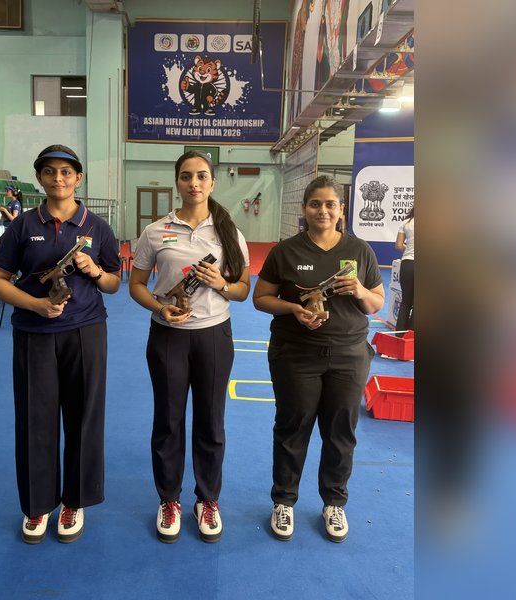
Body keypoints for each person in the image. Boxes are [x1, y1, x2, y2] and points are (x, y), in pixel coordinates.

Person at [0, 145, 121, 544]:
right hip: (34, 334)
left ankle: (73, 502)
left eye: (66, 172)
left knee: (83, 418)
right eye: (49, 172)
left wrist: (95, 270)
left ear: (78, 178)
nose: (58, 179)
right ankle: (37, 506)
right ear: (41, 178)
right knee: (35, 420)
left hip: (86, 333)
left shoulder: (97, 227)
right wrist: (35, 304)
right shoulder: (23, 225)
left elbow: (114, 283)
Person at [252, 175, 384, 543]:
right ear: (304, 209)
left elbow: (377, 302)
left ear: (341, 209)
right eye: (315, 204)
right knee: (293, 427)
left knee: (341, 432)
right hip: (296, 355)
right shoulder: (286, 251)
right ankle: (284, 501)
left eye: (330, 204)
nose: (322, 211)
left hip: (348, 355)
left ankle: (334, 502)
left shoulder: (360, 251)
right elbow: (261, 298)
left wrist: (359, 289)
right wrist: (293, 308)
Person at [129, 151, 250, 544]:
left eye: (201, 176)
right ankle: (169, 499)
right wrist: (161, 307)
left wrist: (220, 284)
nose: (194, 183)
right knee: (168, 420)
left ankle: (207, 499)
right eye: (186, 176)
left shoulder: (230, 233)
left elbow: (243, 290)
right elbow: (136, 285)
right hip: (167, 337)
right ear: (177, 183)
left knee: (211, 421)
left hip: (214, 336)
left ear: (212, 182)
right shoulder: (155, 231)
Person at [394, 206, 414, 331]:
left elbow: (398, 245)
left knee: (405, 302)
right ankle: (411, 337)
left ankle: (399, 335)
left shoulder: (406, 223)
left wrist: (410, 249)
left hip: (407, 264)